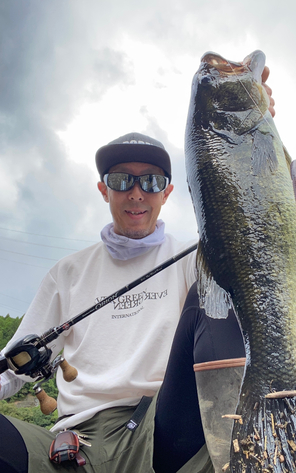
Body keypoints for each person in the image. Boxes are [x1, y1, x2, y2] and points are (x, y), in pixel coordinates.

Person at [0, 70, 275, 473]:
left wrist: (254, 139)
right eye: (121, 179)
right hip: (72, 448)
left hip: (165, 430)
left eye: (150, 181)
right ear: (103, 190)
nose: (135, 192)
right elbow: (13, 367)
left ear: (167, 192)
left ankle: (252, 440)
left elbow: (255, 245)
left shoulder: (195, 257)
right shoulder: (67, 272)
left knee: (218, 285)